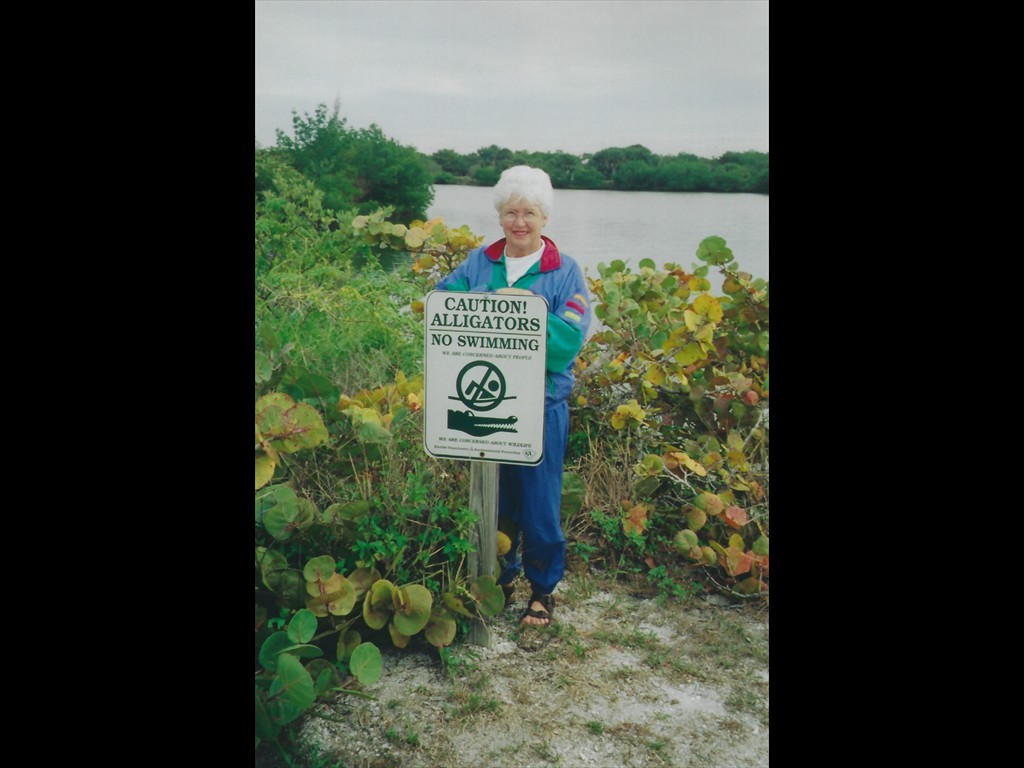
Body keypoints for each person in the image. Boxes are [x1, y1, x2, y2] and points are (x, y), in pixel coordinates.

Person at [434, 166, 591, 627]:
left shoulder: (565, 272)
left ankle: (542, 591)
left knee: (540, 506)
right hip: (484, 407)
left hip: (541, 407)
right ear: (500, 216)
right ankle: (495, 580)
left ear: (545, 218)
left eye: (529, 213)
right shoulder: (479, 261)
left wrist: (520, 310)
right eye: (510, 212)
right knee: (492, 501)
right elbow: (442, 305)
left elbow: (566, 344)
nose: (519, 222)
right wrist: (487, 305)